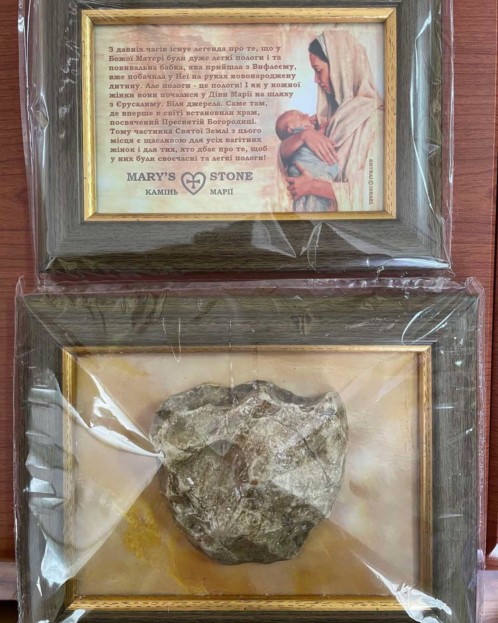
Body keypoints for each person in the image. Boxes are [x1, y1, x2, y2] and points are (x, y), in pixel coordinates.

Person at [280, 31, 384, 212]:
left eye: (318, 70)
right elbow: (283, 152)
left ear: (340, 68)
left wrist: (312, 186)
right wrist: (304, 136)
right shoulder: (325, 120)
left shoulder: (376, 121)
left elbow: (371, 194)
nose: (316, 80)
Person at [276, 109, 340, 212]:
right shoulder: (299, 133)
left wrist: (319, 127)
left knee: (310, 205)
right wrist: (321, 127)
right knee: (312, 204)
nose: (306, 114)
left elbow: (318, 137)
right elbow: (284, 149)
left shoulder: (307, 134)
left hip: (313, 175)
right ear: (291, 129)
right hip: (308, 171)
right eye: (300, 116)